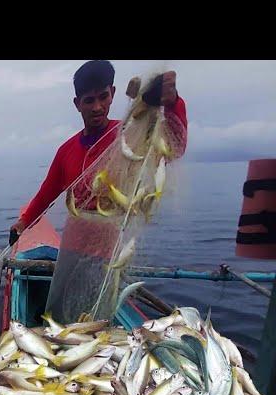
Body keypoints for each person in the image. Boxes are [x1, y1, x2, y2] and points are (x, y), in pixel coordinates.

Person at [10, 60, 188, 324]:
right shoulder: (66, 150)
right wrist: (23, 223)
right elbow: (46, 194)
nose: (97, 107)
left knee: (95, 318)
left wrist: (173, 103)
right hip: (72, 242)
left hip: (108, 247)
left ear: (113, 94)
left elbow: (174, 147)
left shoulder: (130, 134)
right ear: (77, 103)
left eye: (103, 97)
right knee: (59, 311)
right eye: (89, 100)